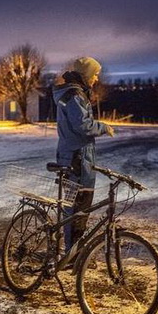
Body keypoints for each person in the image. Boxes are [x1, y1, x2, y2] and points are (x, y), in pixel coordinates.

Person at [53, 56, 115, 251]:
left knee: (75, 205)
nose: (96, 78)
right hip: (77, 157)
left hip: (74, 155)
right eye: (95, 74)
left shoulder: (73, 92)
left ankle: (73, 250)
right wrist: (103, 127)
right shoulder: (75, 95)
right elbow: (83, 125)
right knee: (78, 206)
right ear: (86, 74)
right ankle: (74, 253)